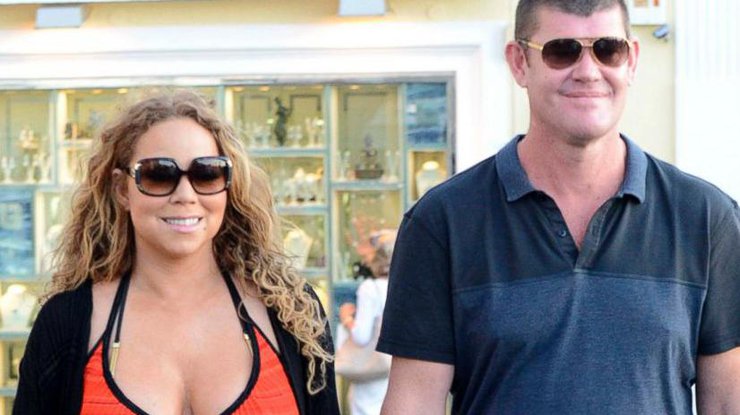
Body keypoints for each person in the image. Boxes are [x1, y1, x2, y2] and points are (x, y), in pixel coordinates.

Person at [377, 1, 740, 414]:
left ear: (631, 61)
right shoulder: (441, 223)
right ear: (519, 63)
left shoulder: (706, 219)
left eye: (608, 49)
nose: (588, 71)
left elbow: (728, 403)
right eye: (562, 51)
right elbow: (414, 403)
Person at [14, 91, 340, 415]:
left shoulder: (290, 314)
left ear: (228, 184)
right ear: (122, 189)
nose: (185, 194)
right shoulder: (67, 323)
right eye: (158, 174)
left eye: (207, 173)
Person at [338, 229, 396, 415]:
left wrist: (346, 318)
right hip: (393, 372)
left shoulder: (370, 289)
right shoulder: (401, 286)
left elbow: (361, 337)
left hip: (370, 374)